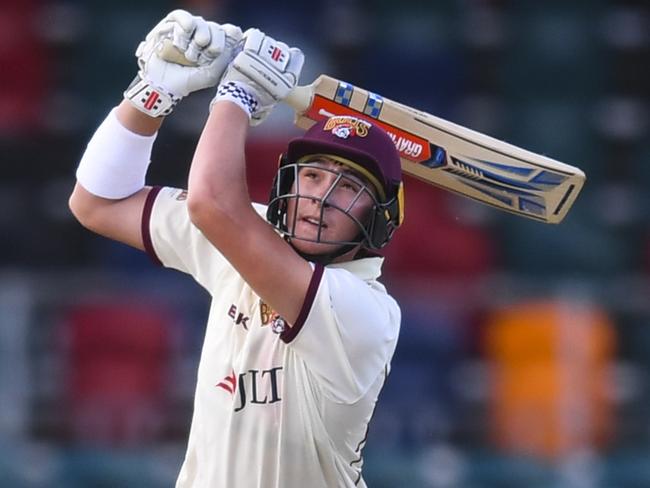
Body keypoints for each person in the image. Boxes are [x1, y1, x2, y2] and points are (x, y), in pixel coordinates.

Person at [69, 9, 404, 488]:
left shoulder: (363, 311)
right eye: (312, 175)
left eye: (349, 185)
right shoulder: (253, 231)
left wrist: (238, 95)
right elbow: (96, 202)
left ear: (380, 214)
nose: (321, 198)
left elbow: (211, 204)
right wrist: (154, 92)